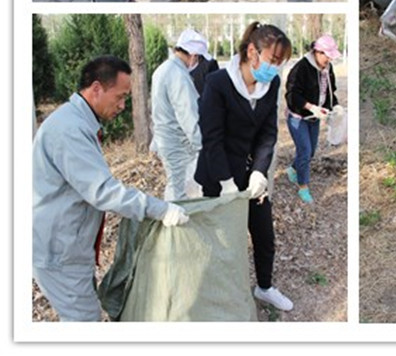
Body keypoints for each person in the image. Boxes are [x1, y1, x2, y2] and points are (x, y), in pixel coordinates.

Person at [33, 55, 189, 321]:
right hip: (59, 253)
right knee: (85, 323)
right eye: (120, 96)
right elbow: (103, 191)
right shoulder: (69, 130)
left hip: (66, 246)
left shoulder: (76, 121)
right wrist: (160, 209)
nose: (122, 105)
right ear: (96, 89)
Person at [194, 22, 294, 311]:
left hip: (251, 175)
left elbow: (268, 132)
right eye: (273, 60)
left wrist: (260, 171)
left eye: (280, 63)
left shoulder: (271, 83)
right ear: (253, 51)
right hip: (218, 173)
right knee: (223, 239)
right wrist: (226, 182)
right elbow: (212, 138)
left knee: (264, 234)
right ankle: (220, 294)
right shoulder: (218, 83)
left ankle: (264, 287)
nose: (275, 68)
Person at [151, 28, 212, 201]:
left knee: (175, 184)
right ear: (193, 55)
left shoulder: (163, 69)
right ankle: (175, 224)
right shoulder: (178, 75)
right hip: (177, 143)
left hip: (165, 138)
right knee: (178, 190)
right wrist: (202, 146)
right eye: (198, 58)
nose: (197, 62)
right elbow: (188, 117)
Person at [284, 34, 341, 204]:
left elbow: (330, 91)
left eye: (331, 57)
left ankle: (293, 170)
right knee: (305, 151)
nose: (329, 60)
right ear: (317, 52)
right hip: (298, 117)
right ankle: (303, 187)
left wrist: (335, 107)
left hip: (314, 118)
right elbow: (292, 95)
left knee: (311, 151)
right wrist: (311, 107)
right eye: (326, 56)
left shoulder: (328, 68)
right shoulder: (301, 68)